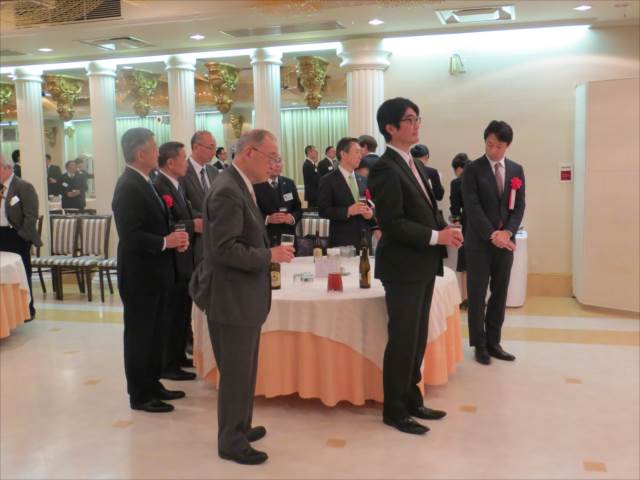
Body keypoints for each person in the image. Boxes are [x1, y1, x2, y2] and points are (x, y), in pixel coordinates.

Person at [197, 129, 294, 465]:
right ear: (250, 152)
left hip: (242, 295)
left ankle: (242, 425)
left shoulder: (240, 184)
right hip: (231, 296)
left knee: (244, 369)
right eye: (271, 157)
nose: (274, 164)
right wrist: (270, 255)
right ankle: (231, 441)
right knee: (236, 373)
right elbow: (225, 249)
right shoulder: (227, 189)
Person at [368, 97, 463, 435]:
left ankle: (412, 398)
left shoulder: (415, 164)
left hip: (422, 263)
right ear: (390, 128)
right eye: (409, 120)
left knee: (417, 337)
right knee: (403, 339)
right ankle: (394, 410)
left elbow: (427, 210)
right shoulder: (385, 168)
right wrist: (437, 237)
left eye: (417, 118)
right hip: (402, 267)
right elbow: (392, 223)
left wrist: (446, 228)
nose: (416, 125)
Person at [112, 128, 190, 413]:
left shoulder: (146, 181)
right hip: (140, 276)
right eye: (155, 148)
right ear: (140, 153)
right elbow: (131, 235)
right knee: (140, 335)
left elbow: (158, 222)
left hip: (157, 272)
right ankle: (139, 394)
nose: (158, 152)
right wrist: (165, 242)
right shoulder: (128, 186)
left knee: (156, 333)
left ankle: (153, 383)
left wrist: (175, 238)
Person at [462, 120, 525, 365]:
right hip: (479, 243)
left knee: (500, 293)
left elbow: (519, 206)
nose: (493, 150)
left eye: (498, 146)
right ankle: (479, 344)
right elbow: (472, 206)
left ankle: (494, 341)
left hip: (505, 243)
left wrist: (507, 232)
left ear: (507, 145)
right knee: (477, 294)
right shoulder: (472, 169)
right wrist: (493, 234)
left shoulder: (516, 169)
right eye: (489, 144)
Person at [153, 141, 202, 380]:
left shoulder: (177, 184)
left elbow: (187, 212)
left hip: (184, 259)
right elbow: (166, 223)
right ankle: (168, 364)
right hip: (170, 260)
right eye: (183, 158)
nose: (187, 163)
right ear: (171, 162)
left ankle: (179, 355)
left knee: (183, 311)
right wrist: (193, 225)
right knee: (171, 314)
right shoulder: (159, 185)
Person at [318, 137, 379, 250]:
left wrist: (371, 214)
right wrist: (348, 211)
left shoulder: (363, 179)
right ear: (343, 154)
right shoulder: (328, 180)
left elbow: (372, 203)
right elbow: (323, 211)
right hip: (342, 242)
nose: (360, 156)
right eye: (356, 152)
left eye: (361, 152)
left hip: (365, 240)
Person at [0, 154, 42, 319]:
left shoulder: (23, 186)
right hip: (1, 234)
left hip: (16, 236)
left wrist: (22, 236)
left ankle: (27, 310)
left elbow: (31, 216)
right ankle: (9, 311)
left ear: (7, 168)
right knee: (4, 274)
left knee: (22, 272)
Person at [179, 130, 219, 263]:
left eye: (215, 148)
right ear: (196, 147)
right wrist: (208, 219)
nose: (214, 152)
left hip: (216, 239)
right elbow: (183, 206)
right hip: (195, 241)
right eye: (210, 147)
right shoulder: (182, 171)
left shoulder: (213, 171)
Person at [255, 155, 302, 246]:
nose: (278, 165)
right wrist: (268, 219)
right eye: (273, 161)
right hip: (266, 238)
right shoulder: (256, 185)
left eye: (279, 161)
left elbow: (298, 208)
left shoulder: (289, 183)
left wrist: (292, 218)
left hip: (288, 236)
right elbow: (251, 213)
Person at [449, 153, 470, 273]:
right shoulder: (479, 177)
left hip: (467, 221)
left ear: (458, 169)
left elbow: (455, 207)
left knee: (466, 263)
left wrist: (456, 220)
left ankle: (465, 287)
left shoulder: (457, 182)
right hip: (485, 221)